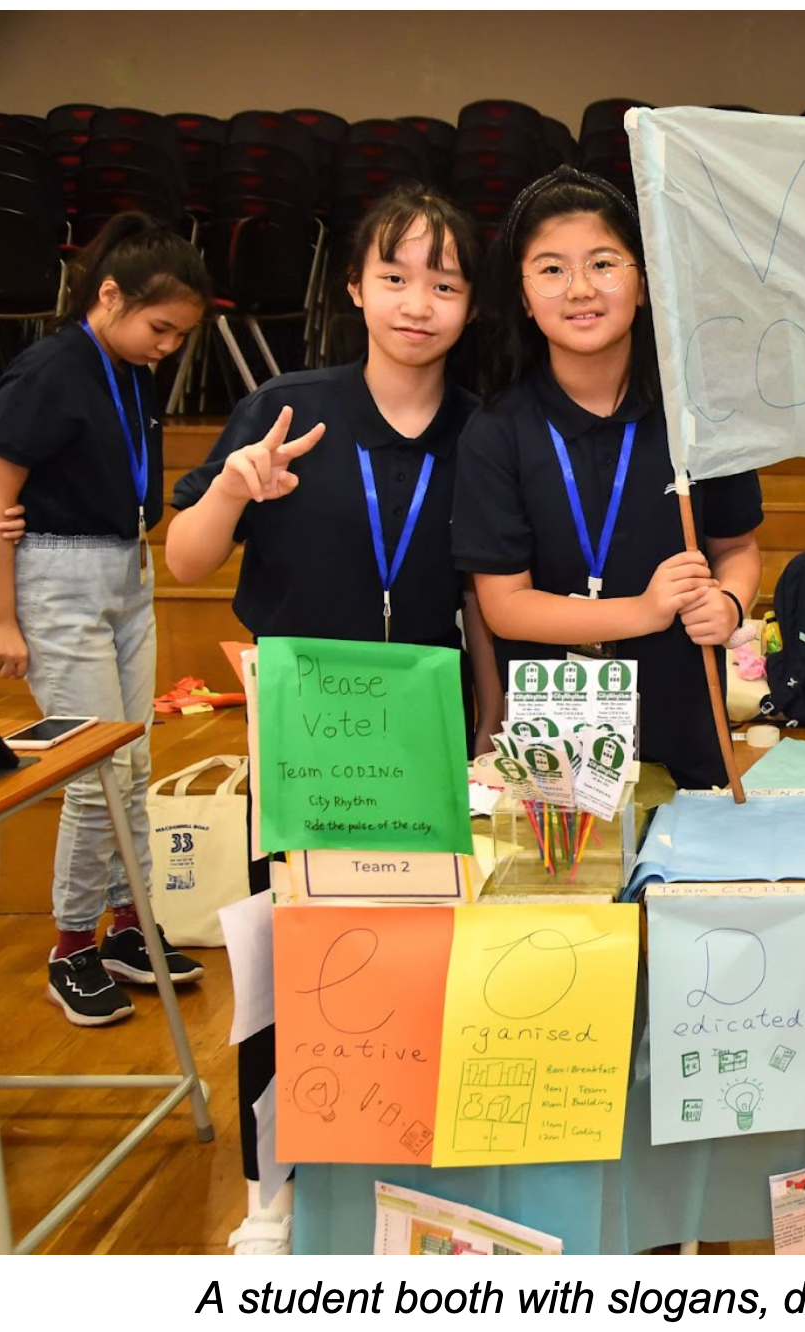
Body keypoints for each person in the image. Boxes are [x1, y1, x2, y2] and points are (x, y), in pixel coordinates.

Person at [166, 185, 500, 1255]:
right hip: (307, 742)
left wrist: (489, 728)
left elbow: (481, 602)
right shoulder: (288, 409)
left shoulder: (482, 434)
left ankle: (402, 1157)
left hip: (431, 738)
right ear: (353, 287)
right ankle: (275, 1183)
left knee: (415, 961)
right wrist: (232, 486)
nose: (417, 303)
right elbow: (185, 559)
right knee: (289, 959)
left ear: (469, 304)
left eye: (443, 283)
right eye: (395, 277)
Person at [454, 166, 762, 793]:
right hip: (554, 733)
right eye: (550, 269)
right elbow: (505, 607)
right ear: (522, 295)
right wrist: (643, 611)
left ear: (644, 285)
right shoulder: (496, 431)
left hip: (682, 716)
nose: (578, 289)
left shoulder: (698, 414)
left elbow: (737, 548)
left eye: (602, 263)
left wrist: (729, 604)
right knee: (573, 884)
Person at [0, 212, 213, 1028]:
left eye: (179, 337)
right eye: (159, 327)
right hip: (58, 575)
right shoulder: (51, 368)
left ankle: (129, 927)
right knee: (92, 777)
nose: (166, 347)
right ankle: (70, 947)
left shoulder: (128, 366)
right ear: (111, 295)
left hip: (126, 566)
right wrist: (4, 617)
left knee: (134, 761)